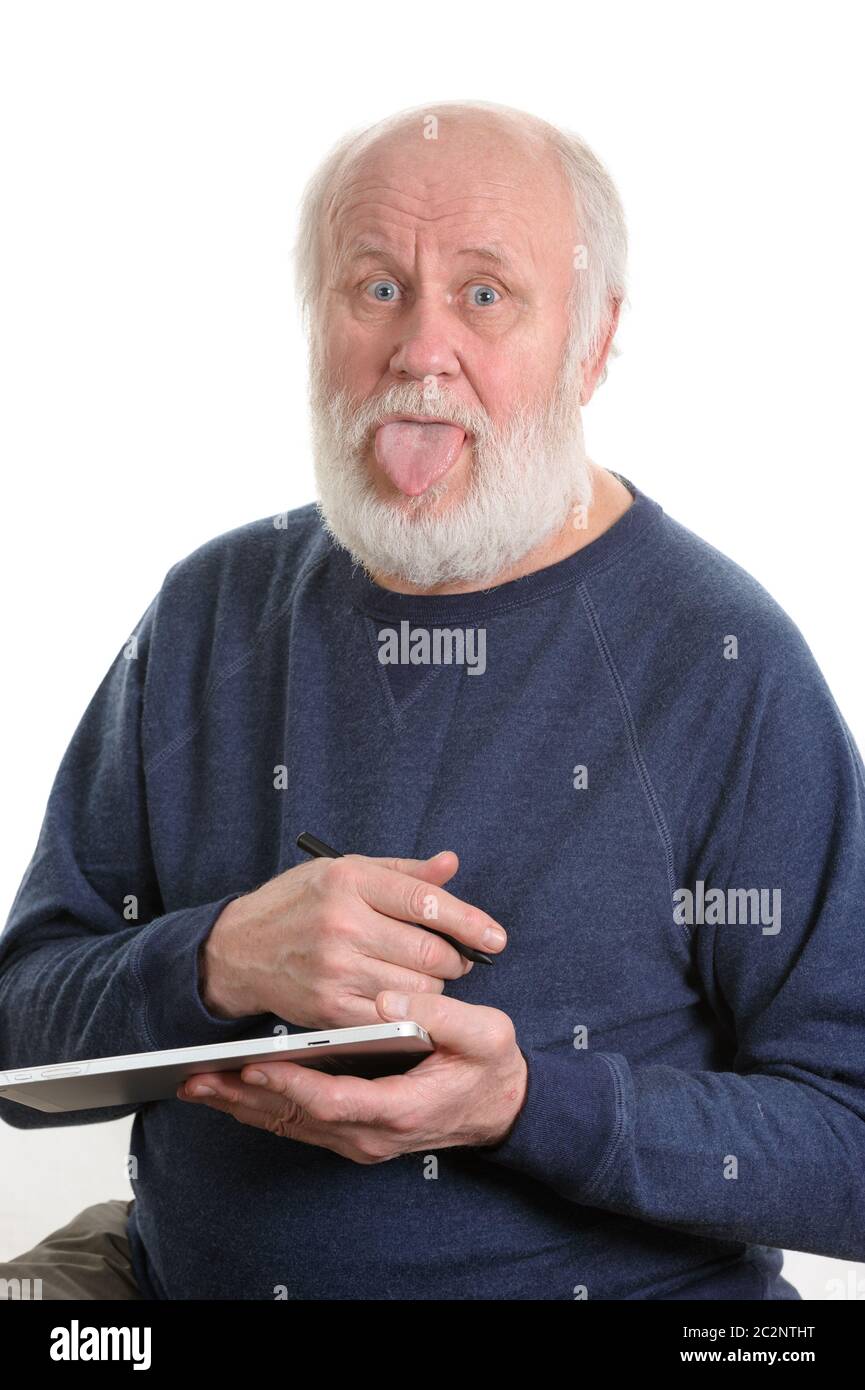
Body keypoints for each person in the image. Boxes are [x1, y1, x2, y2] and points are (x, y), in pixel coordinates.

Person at [1, 101, 863, 1301]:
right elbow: (20, 1037)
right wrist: (215, 958)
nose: (419, 352)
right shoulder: (204, 612)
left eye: (486, 294)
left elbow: (850, 1144)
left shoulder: (724, 660)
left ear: (593, 340)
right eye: (374, 288)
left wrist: (522, 1103)